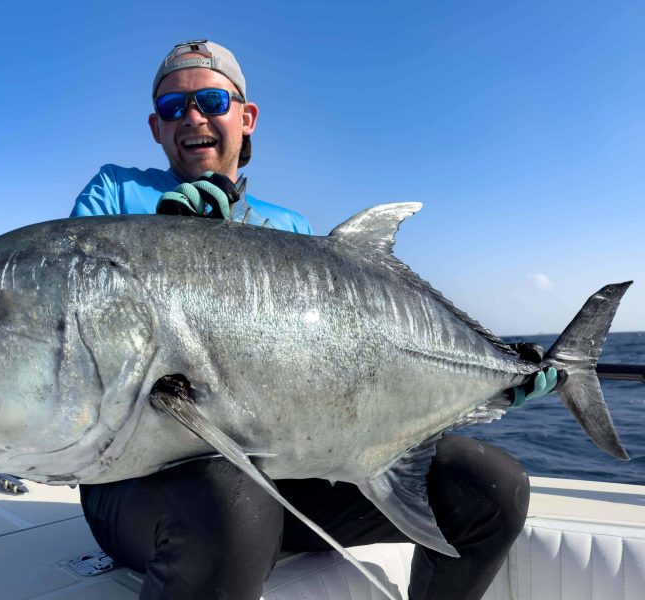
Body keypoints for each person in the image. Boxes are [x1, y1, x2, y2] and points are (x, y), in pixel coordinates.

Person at [71, 39, 530, 600]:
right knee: (235, 502)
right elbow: (71, 315)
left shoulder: (290, 228)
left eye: (211, 101)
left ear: (246, 117)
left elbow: (344, 368)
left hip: (282, 475)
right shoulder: (116, 194)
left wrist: (493, 382)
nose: (192, 116)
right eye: (173, 107)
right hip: (138, 484)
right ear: (156, 127)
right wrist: (166, 235)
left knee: (490, 487)